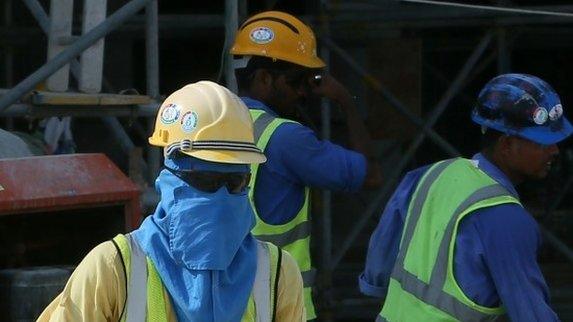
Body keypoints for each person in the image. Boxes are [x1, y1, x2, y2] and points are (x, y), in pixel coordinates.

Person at [38, 81, 305, 322]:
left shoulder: (276, 273)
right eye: (206, 181)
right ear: (171, 179)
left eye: (235, 183)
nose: (221, 197)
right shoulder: (113, 268)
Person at [359, 73, 572, 321]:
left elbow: (378, 269)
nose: (555, 150)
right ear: (506, 144)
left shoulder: (429, 174)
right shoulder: (506, 218)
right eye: (543, 142)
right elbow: (531, 313)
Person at [230, 11, 382, 319]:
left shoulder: (211, 124)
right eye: (295, 80)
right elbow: (372, 175)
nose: (303, 91)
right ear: (263, 78)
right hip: (280, 309)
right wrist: (346, 101)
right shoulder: (286, 138)